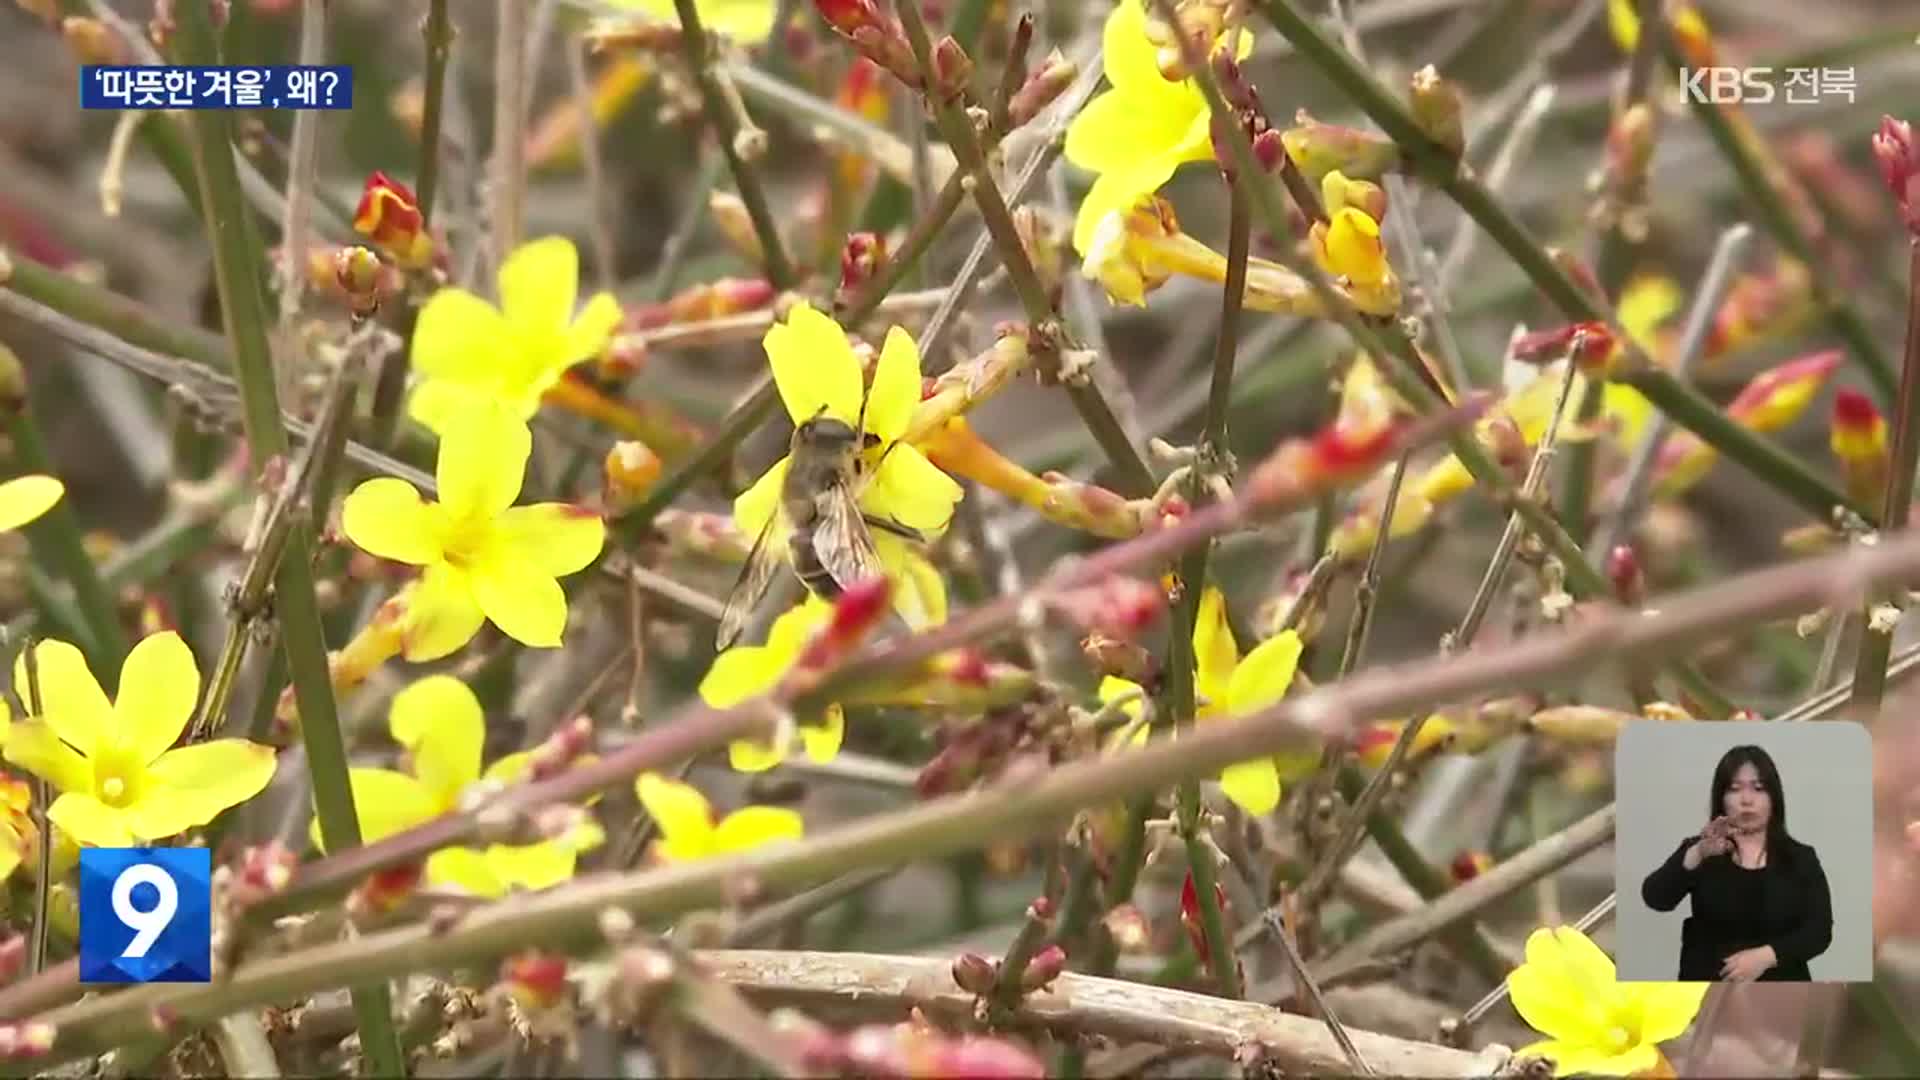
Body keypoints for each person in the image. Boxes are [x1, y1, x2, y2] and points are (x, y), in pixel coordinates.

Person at [1640, 744, 1832, 981]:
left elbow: (1819, 932)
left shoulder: (1800, 857)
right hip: (1708, 996)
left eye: (1759, 789)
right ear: (1721, 798)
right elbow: (1655, 897)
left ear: (1774, 799)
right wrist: (1698, 853)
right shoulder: (1701, 850)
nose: (1747, 800)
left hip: (1783, 996)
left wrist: (1765, 956)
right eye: (1734, 789)